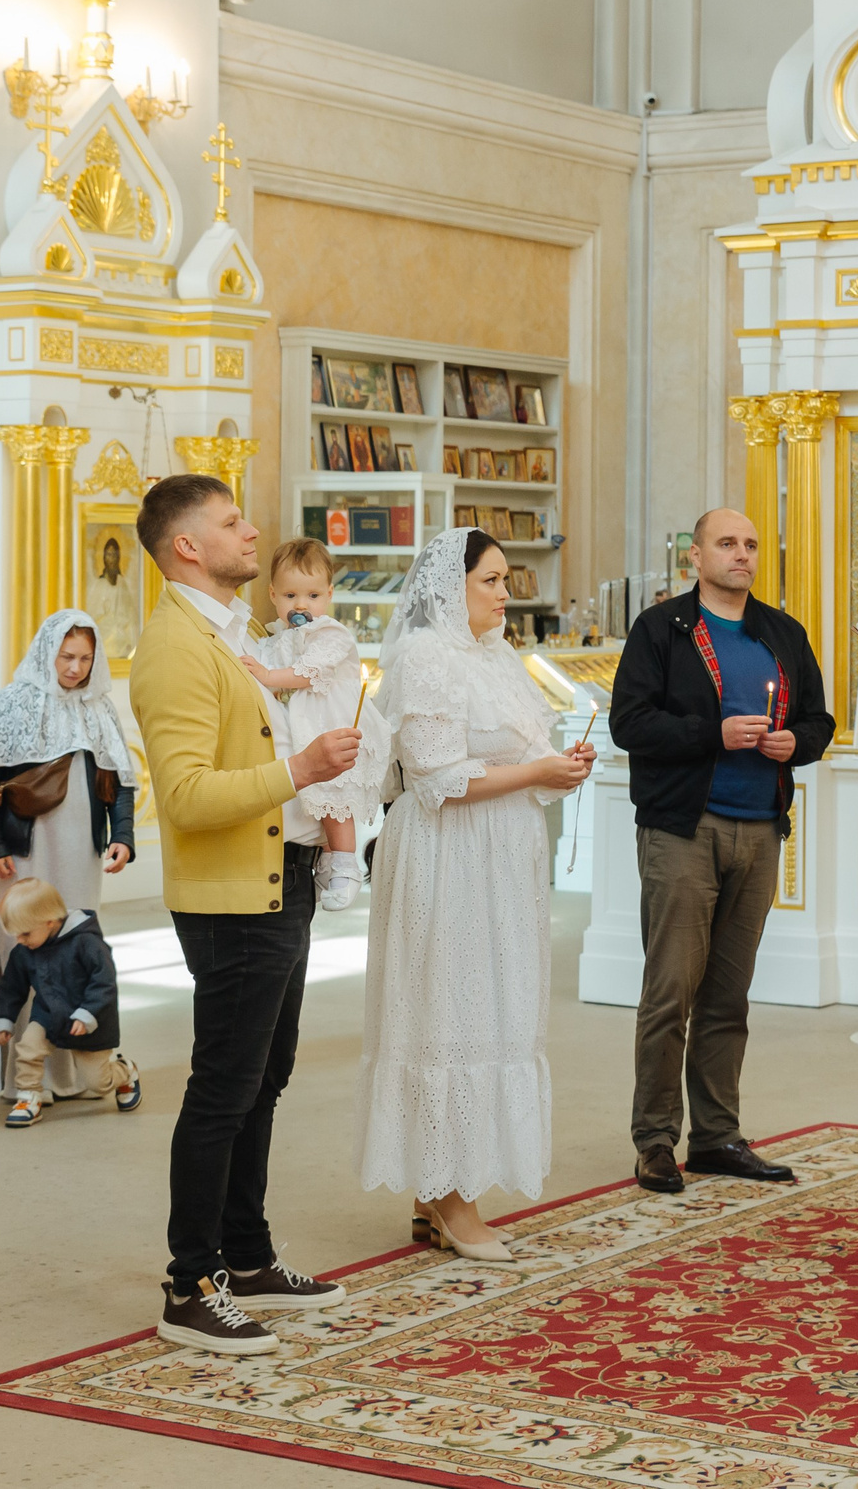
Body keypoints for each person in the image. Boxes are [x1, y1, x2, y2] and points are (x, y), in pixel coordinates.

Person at [129, 472, 361, 1355]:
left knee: (264, 1077)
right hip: (233, 897)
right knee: (223, 1086)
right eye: (232, 522)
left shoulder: (236, 636)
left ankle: (249, 1253)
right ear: (188, 545)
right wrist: (300, 772)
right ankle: (189, 1283)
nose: (252, 530)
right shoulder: (177, 648)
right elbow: (186, 796)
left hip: (283, 876)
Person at [359, 528, 593, 1259]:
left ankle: (440, 1189)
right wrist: (536, 774)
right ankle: (453, 1201)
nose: (504, 592)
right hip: (447, 857)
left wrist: (557, 761)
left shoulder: (496, 656)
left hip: (499, 861)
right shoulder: (427, 657)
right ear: (447, 589)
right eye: (491, 579)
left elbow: (515, 748)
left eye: (505, 578)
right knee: (449, 1008)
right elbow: (433, 775)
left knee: (492, 1004)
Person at [608, 511, 833, 1195]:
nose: (742, 554)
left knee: (728, 996)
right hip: (685, 828)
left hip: (760, 829)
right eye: (728, 543)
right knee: (669, 990)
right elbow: (629, 722)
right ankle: (654, 1141)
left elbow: (819, 719)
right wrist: (715, 732)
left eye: (752, 544)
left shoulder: (782, 632)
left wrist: (799, 742)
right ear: (696, 555)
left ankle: (715, 1135)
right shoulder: (662, 630)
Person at [0, 610, 139, 1102]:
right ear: (48, 652)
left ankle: (79, 1070)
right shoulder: (12, 703)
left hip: (80, 851)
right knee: (22, 947)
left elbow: (120, 782)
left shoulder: (100, 708)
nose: (75, 668)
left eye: (85, 658)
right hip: (22, 852)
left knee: (76, 947)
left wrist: (123, 836)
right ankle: (25, 1079)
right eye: (67, 656)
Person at [242, 537, 387, 911]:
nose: (301, 605)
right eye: (290, 595)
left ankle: (345, 863)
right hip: (301, 725)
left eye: (312, 595)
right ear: (273, 594)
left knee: (335, 797)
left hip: (330, 721)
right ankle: (326, 858)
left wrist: (269, 676)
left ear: (329, 595)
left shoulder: (330, 633)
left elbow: (310, 671)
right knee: (313, 800)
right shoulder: (276, 636)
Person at [0, 877, 141, 1127]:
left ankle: (126, 1072)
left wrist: (87, 1013)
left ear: (49, 922)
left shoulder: (86, 942)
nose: (20, 940)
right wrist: (3, 1020)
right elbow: (10, 988)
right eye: (16, 935)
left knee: (97, 1083)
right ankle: (29, 1097)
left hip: (92, 1020)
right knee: (28, 1047)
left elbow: (104, 982)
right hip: (49, 1015)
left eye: (25, 933)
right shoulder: (25, 951)